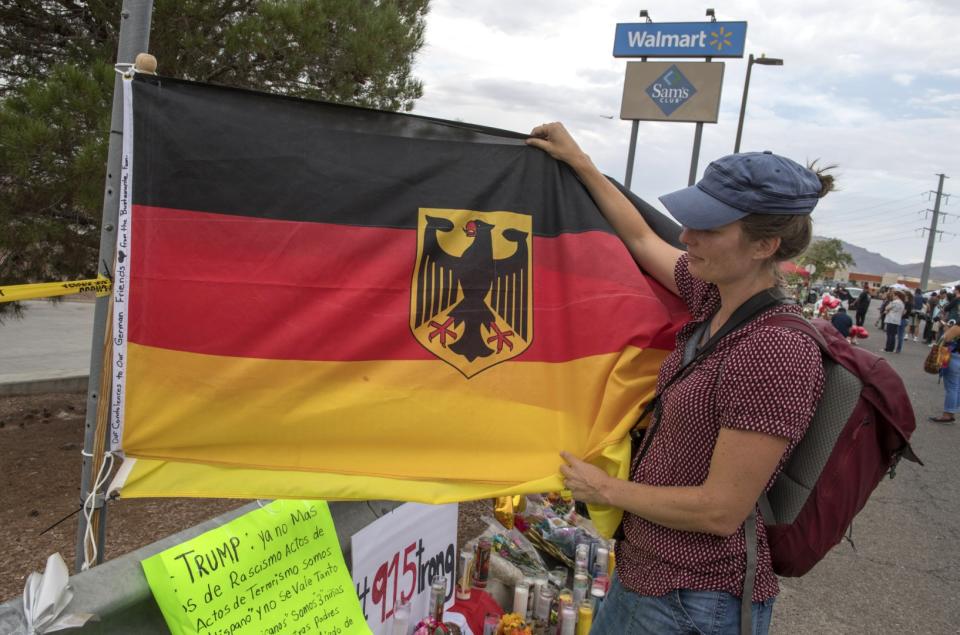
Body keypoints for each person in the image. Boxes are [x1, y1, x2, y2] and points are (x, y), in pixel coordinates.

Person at [528, 123, 833, 635]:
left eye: (708, 229)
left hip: (696, 601)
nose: (687, 236)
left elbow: (719, 510)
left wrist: (604, 488)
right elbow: (642, 236)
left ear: (765, 246)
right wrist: (579, 161)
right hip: (647, 578)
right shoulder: (717, 299)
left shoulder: (776, 350)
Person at [929, 322, 960, 424]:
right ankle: (951, 412)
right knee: (957, 387)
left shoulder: (958, 326)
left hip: (954, 357)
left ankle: (947, 415)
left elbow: (946, 338)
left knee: (952, 387)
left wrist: (947, 328)